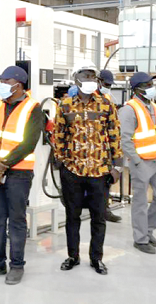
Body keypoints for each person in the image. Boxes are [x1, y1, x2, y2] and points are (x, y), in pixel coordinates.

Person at [54, 60, 123, 276]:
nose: (90, 80)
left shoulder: (106, 104)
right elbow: (59, 136)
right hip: (72, 171)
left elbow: (114, 135)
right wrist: (63, 162)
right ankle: (73, 256)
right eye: (85, 76)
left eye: (93, 76)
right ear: (76, 79)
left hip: (100, 171)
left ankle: (97, 258)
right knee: (72, 216)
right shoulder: (65, 105)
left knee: (99, 217)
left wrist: (117, 166)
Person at [0, 66, 44, 285]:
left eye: (5, 81)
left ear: (18, 84)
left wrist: (2, 165)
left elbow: (28, 143)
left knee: (16, 221)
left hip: (19, 174)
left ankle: (17, 266)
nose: (2, 85)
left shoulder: (33, 109)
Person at [119, 72, 156, 255]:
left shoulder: (155, 107)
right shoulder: (129, 109)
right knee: (140, 202)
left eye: (152, 84)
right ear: (139, 89)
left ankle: (148, 229)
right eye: (149, 84)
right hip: (141, 162)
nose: (152, 87)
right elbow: (124, 139)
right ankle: (140, 239)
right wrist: (136, 161)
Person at [98, 69, 122, 224]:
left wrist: (117, 159)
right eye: (106, 84)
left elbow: (113, 129)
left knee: (105, 182)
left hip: (104, 150)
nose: (108, 87)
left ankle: (104, 210)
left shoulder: (107, 100)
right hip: (89, 151)